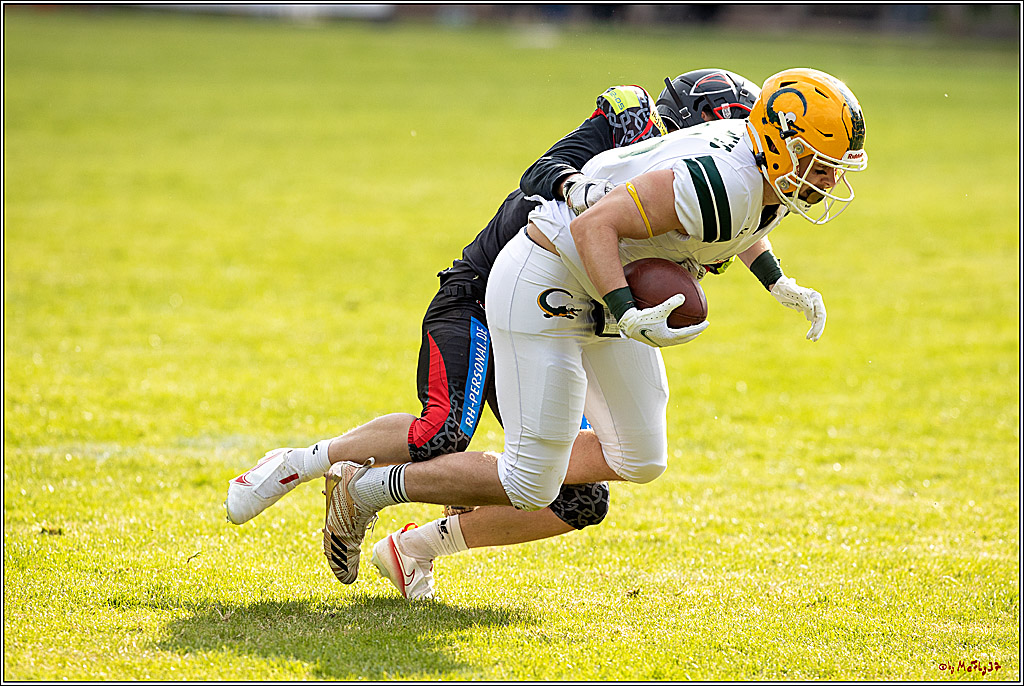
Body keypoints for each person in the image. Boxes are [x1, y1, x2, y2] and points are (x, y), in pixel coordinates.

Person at [321, 67, 868, 599]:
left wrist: (778, 283)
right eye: (821, 166)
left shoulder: (769, 174)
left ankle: (415, 536)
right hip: (549, 270)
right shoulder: (717, 185)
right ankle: (365, 489)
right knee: (533, 484)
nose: (830, 180)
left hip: (600, 279)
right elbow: (593, 224)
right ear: (782, 145)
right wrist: (626, 309)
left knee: (641, 456)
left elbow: (741, 226)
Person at [226, 70, 761, 555]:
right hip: (486, 298)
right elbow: (542, 171)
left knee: (577, 499)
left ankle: (413, 551)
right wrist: (580, 190)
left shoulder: (704, 192)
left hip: (565, 319)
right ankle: (301, 463)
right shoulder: (631, 124)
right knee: (441, 433)